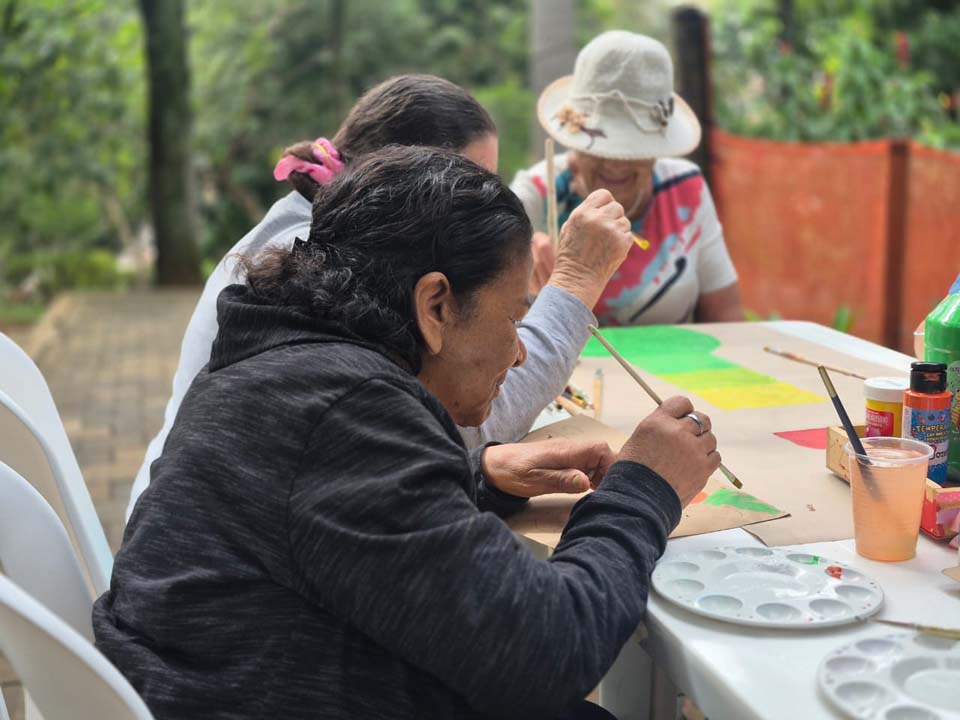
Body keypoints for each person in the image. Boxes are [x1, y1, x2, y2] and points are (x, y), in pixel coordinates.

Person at [94, 146, 719, 720]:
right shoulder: (344, 410)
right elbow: (553, 651)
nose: (521, 354)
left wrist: (473, 477)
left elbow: (323, 521)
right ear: (435, 306)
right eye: (513, 317)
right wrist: (644, 488)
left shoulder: (281, 358)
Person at [127, 74, 633, 519]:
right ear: (392, 180)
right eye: (462, 186)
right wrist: (574, 280)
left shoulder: (323, 242)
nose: (479, 208)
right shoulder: (312, 262)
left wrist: (482, 472)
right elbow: (452, 419)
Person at [511, 31, 745, 326]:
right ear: (574, 139)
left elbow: (727, 316)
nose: (615, 162)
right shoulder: (533, 195)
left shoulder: (687, 190)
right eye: (602, 146)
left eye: (632, 149)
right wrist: (513, 260)